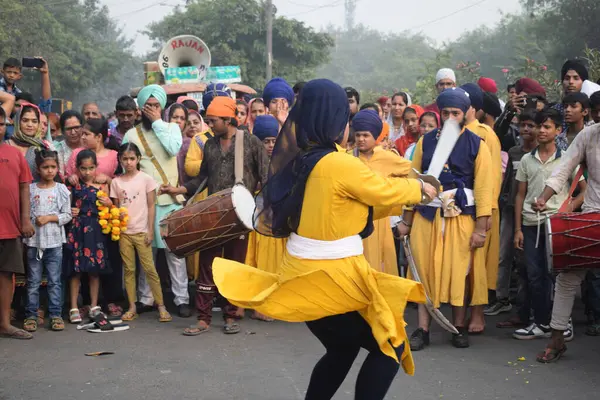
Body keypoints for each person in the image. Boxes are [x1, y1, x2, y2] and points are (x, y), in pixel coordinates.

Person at [209, 79, 435, 400]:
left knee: (342, 350)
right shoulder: (338, 163)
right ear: (333, 120)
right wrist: (420, 190)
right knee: (391, 343)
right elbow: (379, 190)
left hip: (305, 278)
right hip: (333, 280)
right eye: (345, 119)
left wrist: (405, 198)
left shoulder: (302, 160)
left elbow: (353, 208)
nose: (348, 127)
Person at [162, 96, 268, 336]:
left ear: (228, 119)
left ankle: (231, 315)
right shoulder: (209, 145)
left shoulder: (252, 143)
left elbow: (267, 176)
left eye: (213, 121)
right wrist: (179, 189)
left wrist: (261, 208)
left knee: (233, 266)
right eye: (208, 121)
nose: (209, 125)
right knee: (207, 265)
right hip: (212, 214)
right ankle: (204, 317)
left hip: (240, 217)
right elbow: (202, 179)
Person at [400, 87, 493, 350]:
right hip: (427, 217)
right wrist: (406, 220)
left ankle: (458, 327)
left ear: (466, 114)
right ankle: (423, 329)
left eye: (456, 112)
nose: (451, 116)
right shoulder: (425, 141)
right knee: (423, 271)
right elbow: (413, 181)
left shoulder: (477, 144)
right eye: (446, 113)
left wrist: (481, 228)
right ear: (439, 114)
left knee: (459, 272)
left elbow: (485, 189)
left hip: (460, 218)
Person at [513, 109, 585, 341]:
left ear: (558, 130)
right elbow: (519, 196)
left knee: (557, 275)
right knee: (535, 275)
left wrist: (568, 208)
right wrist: (517, 229)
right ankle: (542, 323)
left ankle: (563, 323)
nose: (541, 131)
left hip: (556, 225)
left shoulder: (567, 158)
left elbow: (583, 190)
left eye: (547, 127)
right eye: (539, 126)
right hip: (531, 223)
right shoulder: (526, 159)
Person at [532, 122, 600, 363]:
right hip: (592, 216)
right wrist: (543, 197)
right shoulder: (589, 135)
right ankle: (557, 339)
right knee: (567, 279)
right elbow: (564, 168)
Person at [121, 84, 190, 318]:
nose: (152, 109)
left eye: (156, 106)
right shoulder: (131, 135)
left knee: (174, 253)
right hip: (143, 205)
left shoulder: (172, 128)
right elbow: (128, 168)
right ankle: (146, 298)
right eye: (148, 106)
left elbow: (172, 149)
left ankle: (181, 299)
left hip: (170, 201)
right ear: (140, 108)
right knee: (146, 254)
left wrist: (159, 122)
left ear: (162, 107)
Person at [109, 143, 172, 323]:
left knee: (150, 269)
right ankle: (132, 306)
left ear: (138, 159)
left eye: (132, 159)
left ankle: (161, 306)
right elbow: (115, 208)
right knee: (129, 270)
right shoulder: (116, 182)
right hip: (124, 233)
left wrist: (150, 231)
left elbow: (152, 206)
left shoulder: (146, 179)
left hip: (142, 231)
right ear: (120, 160)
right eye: (125, 159)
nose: (128, 162)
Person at [485, 110, 538, 321]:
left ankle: (529, 307)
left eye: (531, 125)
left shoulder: (540, 154)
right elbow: (508, 181)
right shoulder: (515, 152)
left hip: (532, 212)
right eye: (523, 125)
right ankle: (502, 298)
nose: (526, 129)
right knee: (503, 254)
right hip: (509, 208)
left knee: (527, 260)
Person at [461, 83, 503, 333]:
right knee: (461, 263)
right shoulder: (450, 133)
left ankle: (478, 315)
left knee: (478, 265)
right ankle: (460, 313)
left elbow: (494, 176)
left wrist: (487, 212)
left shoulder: (486, 134)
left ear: (475, 109)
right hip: (458, 208)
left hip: (482, 209)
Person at [352, 108, 412, 276]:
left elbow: (413, 171)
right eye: (358, 135)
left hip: (379, 220)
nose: (361, 139)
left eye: (365, 135)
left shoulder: (386, 157)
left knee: (379, 264)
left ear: (375, 136)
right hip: (353, 219)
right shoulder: (348, 157)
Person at [22, 150, 72, 333]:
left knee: (54, 281)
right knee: (33, 281)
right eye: (45, 167)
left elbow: (67, 215)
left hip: (55, 243)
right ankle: (31, 315)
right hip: (34, 243)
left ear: (57, 168)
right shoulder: (31, 189)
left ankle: (55, 314)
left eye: (53, 167)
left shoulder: (61, 189)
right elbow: (25, 214)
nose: (49, 171)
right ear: (38, 169)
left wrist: (50, 218)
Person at [0, 106, 35, 339]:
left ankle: (5, 324)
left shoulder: (14, 154)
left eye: (1, 124)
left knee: (5, 276)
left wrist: (25, 220)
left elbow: (24, 187)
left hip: (9, 226)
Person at [65, 150, 111, 323]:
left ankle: (94, 305)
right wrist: (71, 210)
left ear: (96, 167)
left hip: (96, 230)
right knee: (75, 271)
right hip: (77, 229)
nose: (87, 172)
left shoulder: (102, 185)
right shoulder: (73, 185)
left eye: (91, 168)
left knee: (94, 270)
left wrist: (109, 203)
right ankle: (74, 307)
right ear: (77, 168)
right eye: (83, 168)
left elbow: (111, 208)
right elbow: (64, 205)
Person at [495, 77, 546, 151]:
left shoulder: (547, 115)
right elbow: (497, 135)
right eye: (522, 99)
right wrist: (509, 112)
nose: (526, 103)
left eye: (530, 100)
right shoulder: (513, 121)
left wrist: (542, 110)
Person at [7, 103, 54, 180]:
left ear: (39, 124)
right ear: (18, 122)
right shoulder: (6, 146)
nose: (30, 125)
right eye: (25, 120)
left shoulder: (43, 148)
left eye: (34, 121)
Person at [66, 118, 118, 185]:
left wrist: (108, 179)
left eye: (86, 134)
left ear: (99, 137)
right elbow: (67, 177)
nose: (82, 137)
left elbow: (120, 184)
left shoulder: (114, 156)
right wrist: (70, 178)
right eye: (82, 134)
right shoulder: (76, 153)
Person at [54, 110, 84, 178]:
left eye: (76, 127)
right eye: (69, 129)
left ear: (82, 127)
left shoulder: (89, 146)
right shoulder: (56, 150)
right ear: (62, 131)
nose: (73, 132)